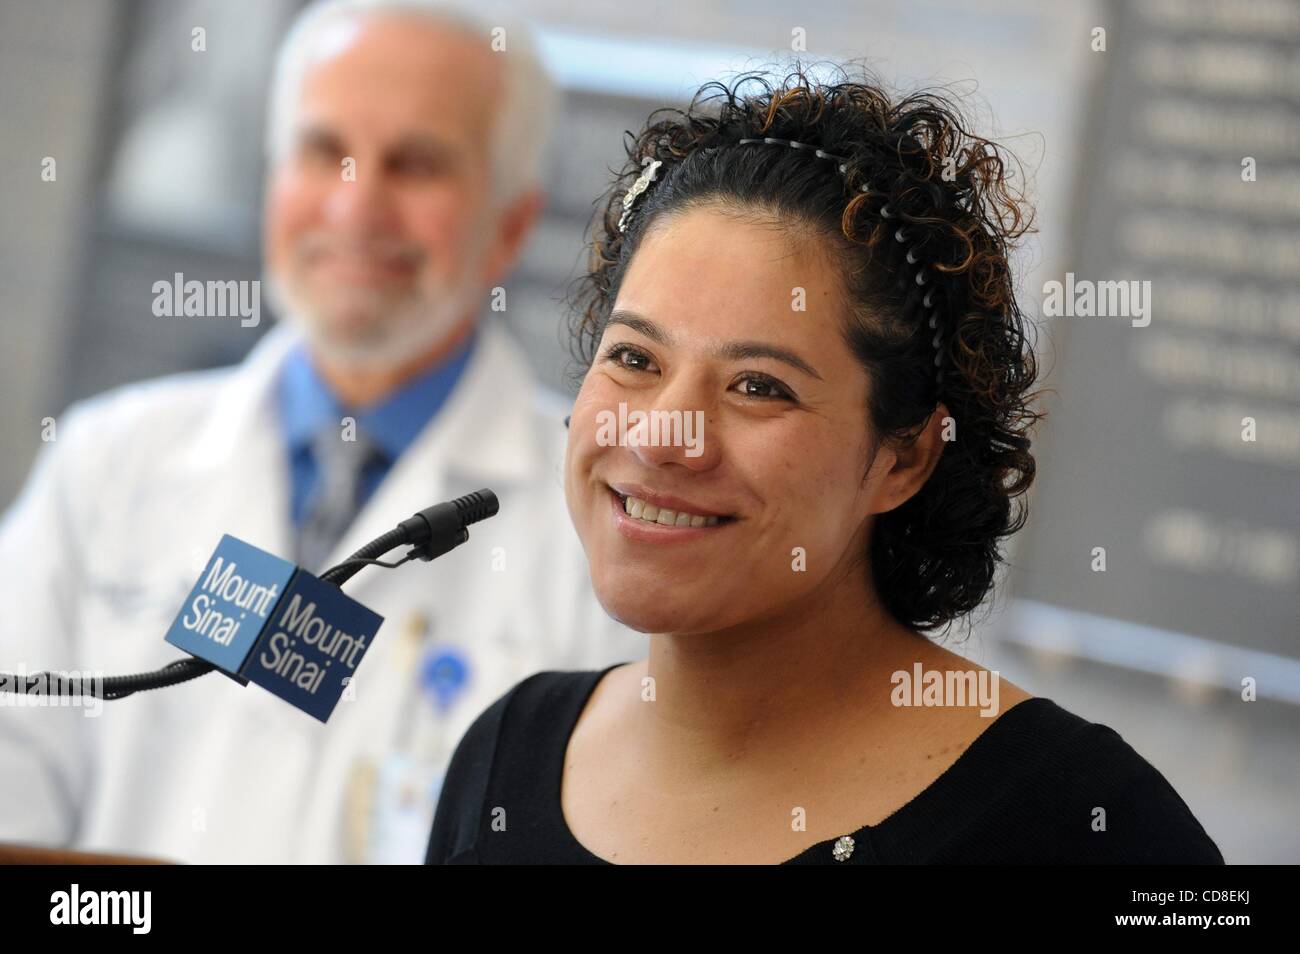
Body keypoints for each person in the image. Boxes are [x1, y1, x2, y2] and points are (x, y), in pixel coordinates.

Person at [425, 67, 1226, 864]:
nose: (663, 434)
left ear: (904, 457)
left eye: (759, 387)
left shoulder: (1077, 821)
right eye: (634, 357)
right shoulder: (509, 751)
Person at [0, 0, 641, 864]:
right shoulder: (107, 464)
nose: (357, 207)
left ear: (511, 225)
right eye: (324, 151)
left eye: (416, 164)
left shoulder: (601, 528)